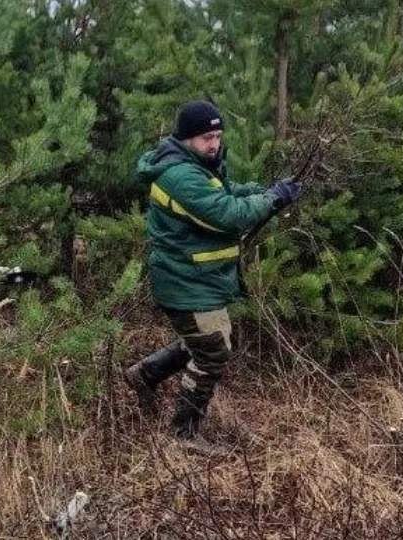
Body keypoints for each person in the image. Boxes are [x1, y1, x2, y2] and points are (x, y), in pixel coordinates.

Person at [125, 100, 300, 442]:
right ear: (187, 137)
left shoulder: (193, 164)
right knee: (213, 352)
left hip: (196, 278)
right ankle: (183, 433)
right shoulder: (180, 176)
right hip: (185, 281)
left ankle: (145, 375)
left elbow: (225, 193)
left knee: (204, 342)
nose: (214, 144)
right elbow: (228, 214)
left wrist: (262, 191)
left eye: (218, 136)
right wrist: (272, 200)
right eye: (207, 137)